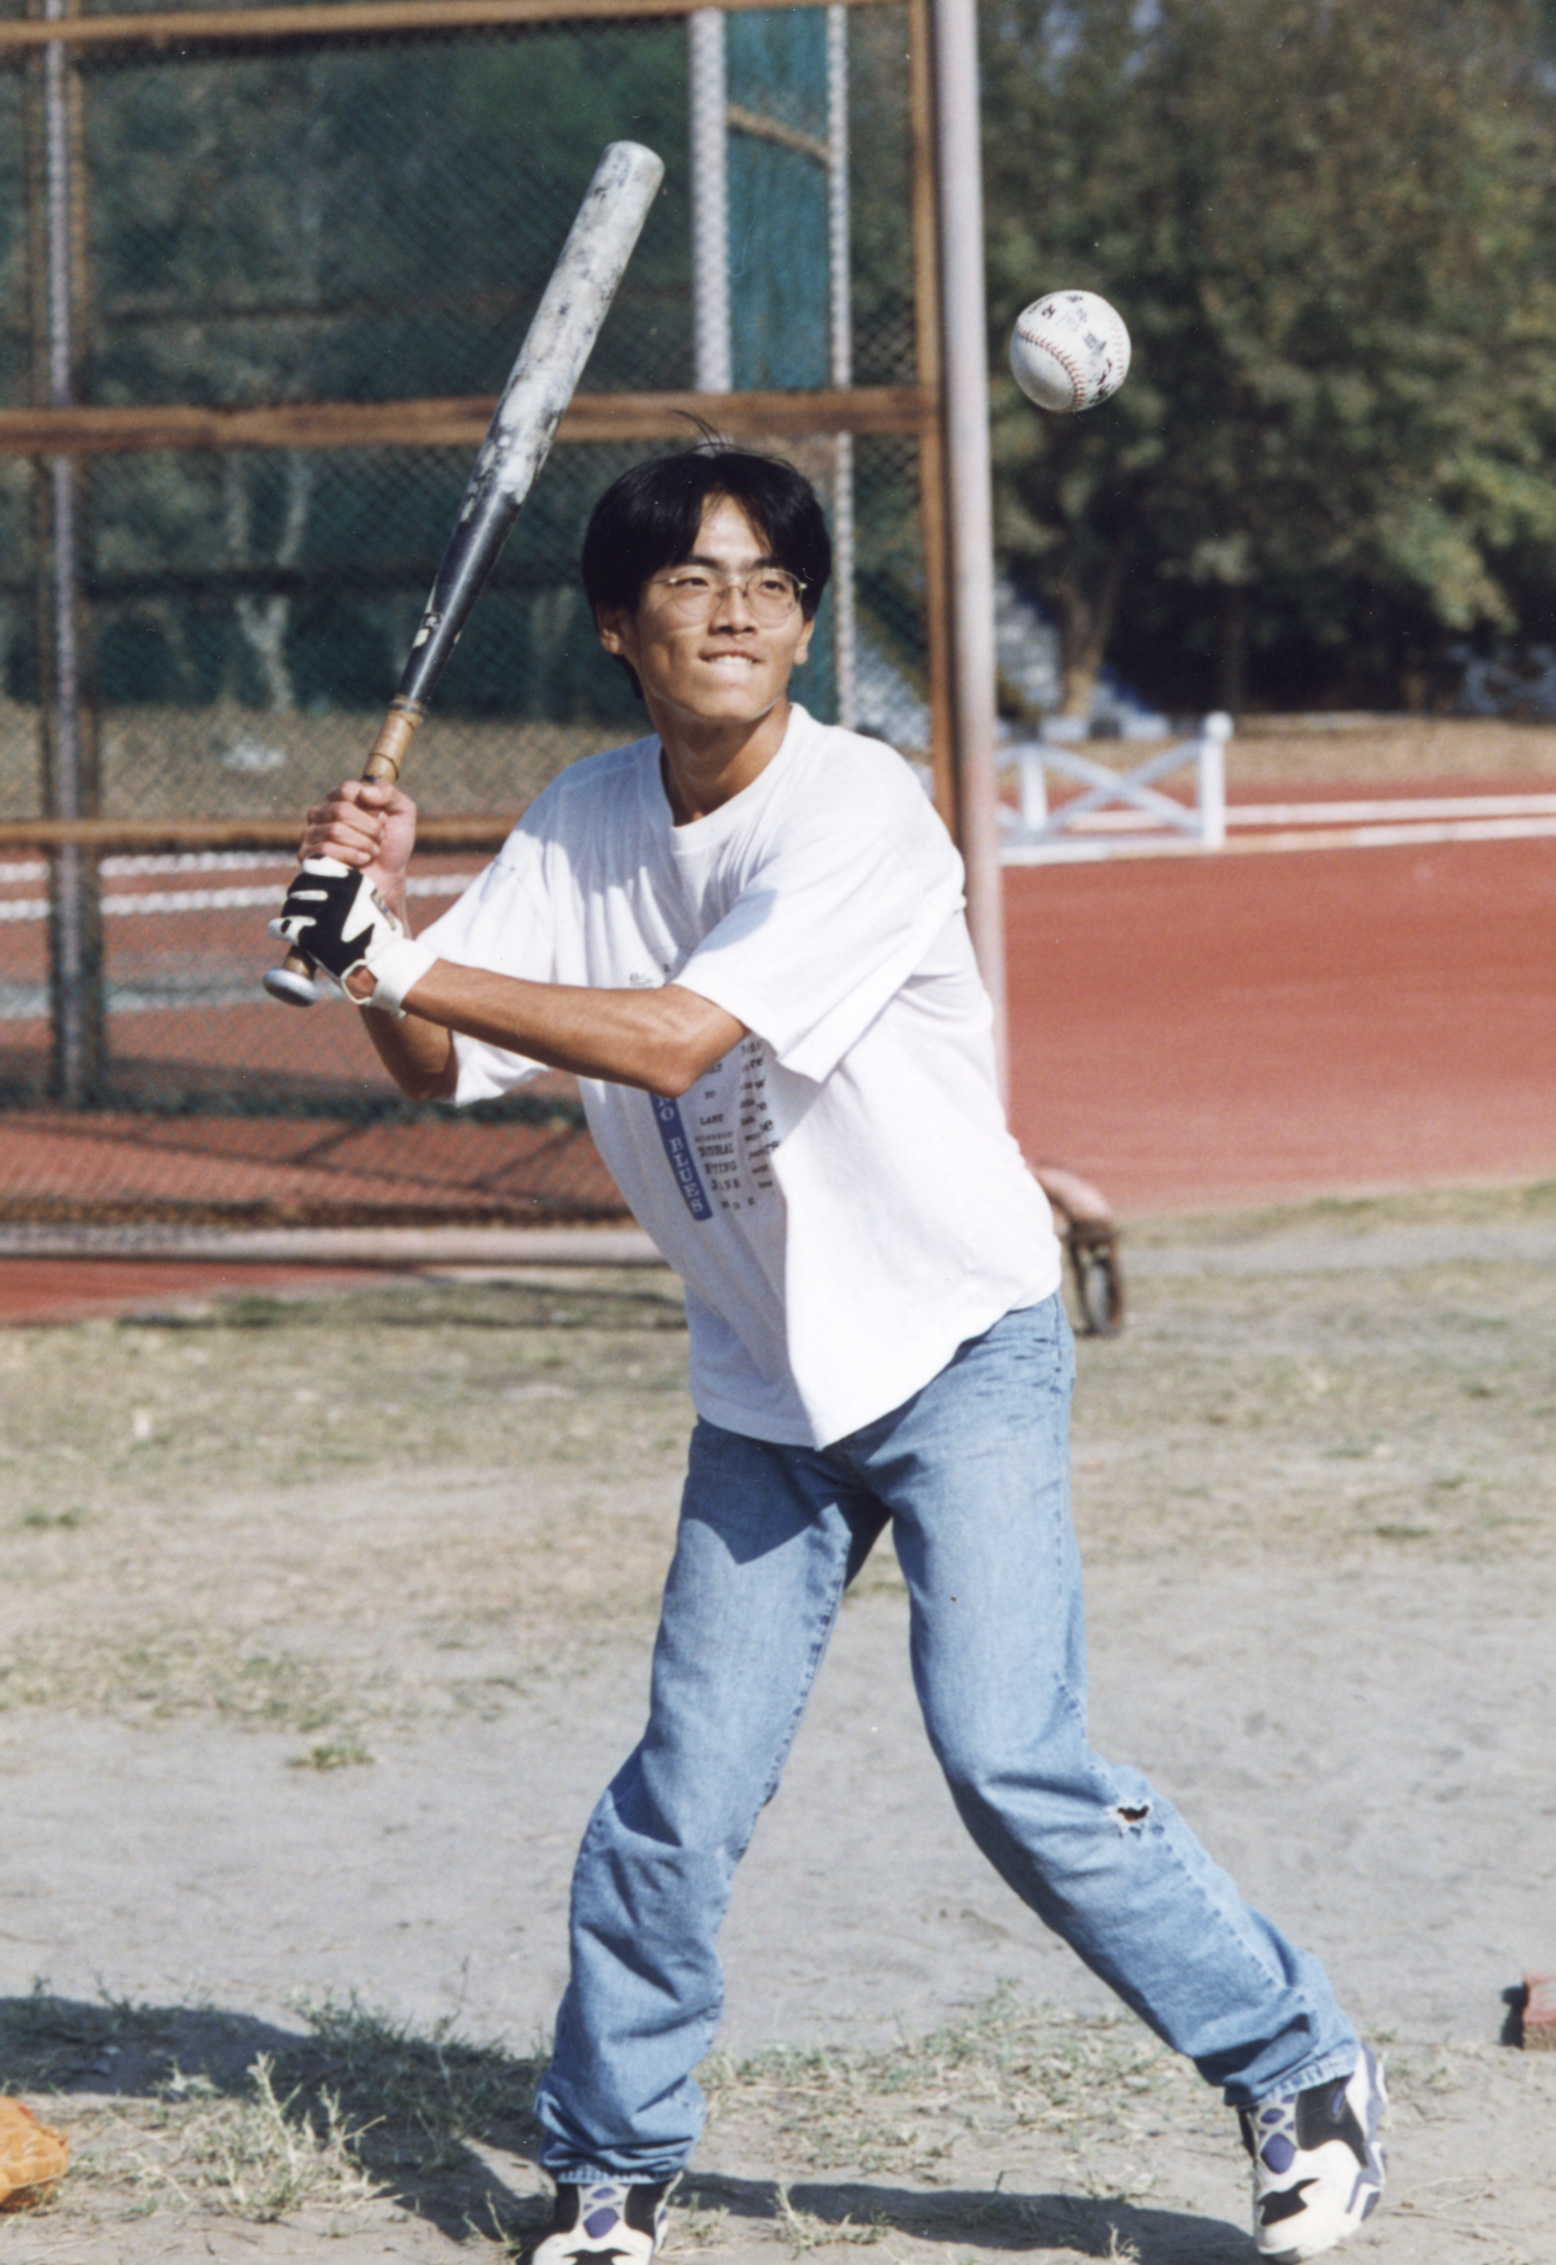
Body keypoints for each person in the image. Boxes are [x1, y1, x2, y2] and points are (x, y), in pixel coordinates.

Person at [271, 443, 1386, 2265]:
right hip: (767, 1383)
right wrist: (377, 960)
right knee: (677, 1793)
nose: (737, 605)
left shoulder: (859, 807)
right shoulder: (583, 814)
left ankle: (1300, 2063)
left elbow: (668, 1044)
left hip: (960, 1343)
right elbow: (445, 1064)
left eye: (773, 581)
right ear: (619, 628)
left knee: (1010, 1754)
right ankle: (609, 2174)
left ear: (801, 624)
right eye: (694, 580)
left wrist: (386, 951)